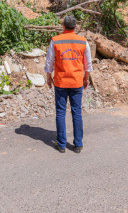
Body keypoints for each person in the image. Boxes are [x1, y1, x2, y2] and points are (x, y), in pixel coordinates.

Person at [44, 15, 92, 153]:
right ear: (75, 27)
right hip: (76, 81)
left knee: (60, 112)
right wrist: (86, 78)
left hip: (60, 81)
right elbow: (87, 63)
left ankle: (62, 144)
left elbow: (49, 61)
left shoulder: (56, 41)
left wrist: (49, 76)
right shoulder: (83, 41)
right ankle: (78, 144)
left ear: (63, 26)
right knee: (76, 112)